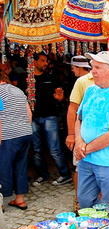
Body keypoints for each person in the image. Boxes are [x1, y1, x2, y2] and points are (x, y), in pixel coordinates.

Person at [74, 51, 109, 208]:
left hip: (107, 161)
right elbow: (79, 118)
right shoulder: (91, 90)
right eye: (93, 67)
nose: (93, 71)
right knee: (84, 200)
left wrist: (85, 149)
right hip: (86, 159)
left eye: (98, 67)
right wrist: (79, 141)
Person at [31, 52, 72, 186]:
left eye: (46, 61)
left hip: (50, 116)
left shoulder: (51, 77)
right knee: (37, 149)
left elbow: (61, 96)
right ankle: (42, 175)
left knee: (54, 148)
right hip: (33, 117)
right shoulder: (27, 79)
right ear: (34, 62)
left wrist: (60, 98)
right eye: (42, 60)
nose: (45, 64)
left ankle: (65, 174)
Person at [0, 71, 33, 210]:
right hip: (25, 133)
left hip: (8, 135)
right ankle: (20, 200)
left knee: (3, 168)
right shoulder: (17, 90)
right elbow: (29, 113)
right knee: (20, 166)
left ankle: (1, 203)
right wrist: (25, 129)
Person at [65, 55, 94, 209]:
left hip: (89, 132)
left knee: (85, 165)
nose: (71, 70)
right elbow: (73, 109)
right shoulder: (83, 81)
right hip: (83, 130)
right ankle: (79, 200)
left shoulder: (82, 81)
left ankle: (82, 200)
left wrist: (72, 134)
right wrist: (72, 134)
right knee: (80, 165)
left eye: (73, 67)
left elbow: (72, 109)